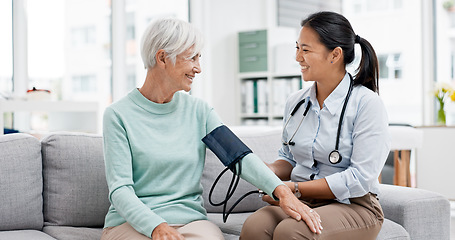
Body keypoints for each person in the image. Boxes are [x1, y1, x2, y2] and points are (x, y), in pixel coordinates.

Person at [101, 18, 318, 240]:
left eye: (199, 58)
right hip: (130, 224)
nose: (198, 68)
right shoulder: (119, 115)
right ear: (163, 58)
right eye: (191, 58)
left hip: (190, 221)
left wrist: (282, 192)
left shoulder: (198, 111)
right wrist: (156, 227)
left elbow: (239, 156)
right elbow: (120, 189)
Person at [240, 11, 390, 240]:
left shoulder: (367, 105)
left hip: (354, 204)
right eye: (297, 48)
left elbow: (360, 178)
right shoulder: (296, 103)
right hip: (305, 200)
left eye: (306, 49)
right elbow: (289, 159)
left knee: (291, 232)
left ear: (335, 55)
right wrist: (265, 171)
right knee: (255, 226)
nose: (298, 57)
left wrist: (293, 189)